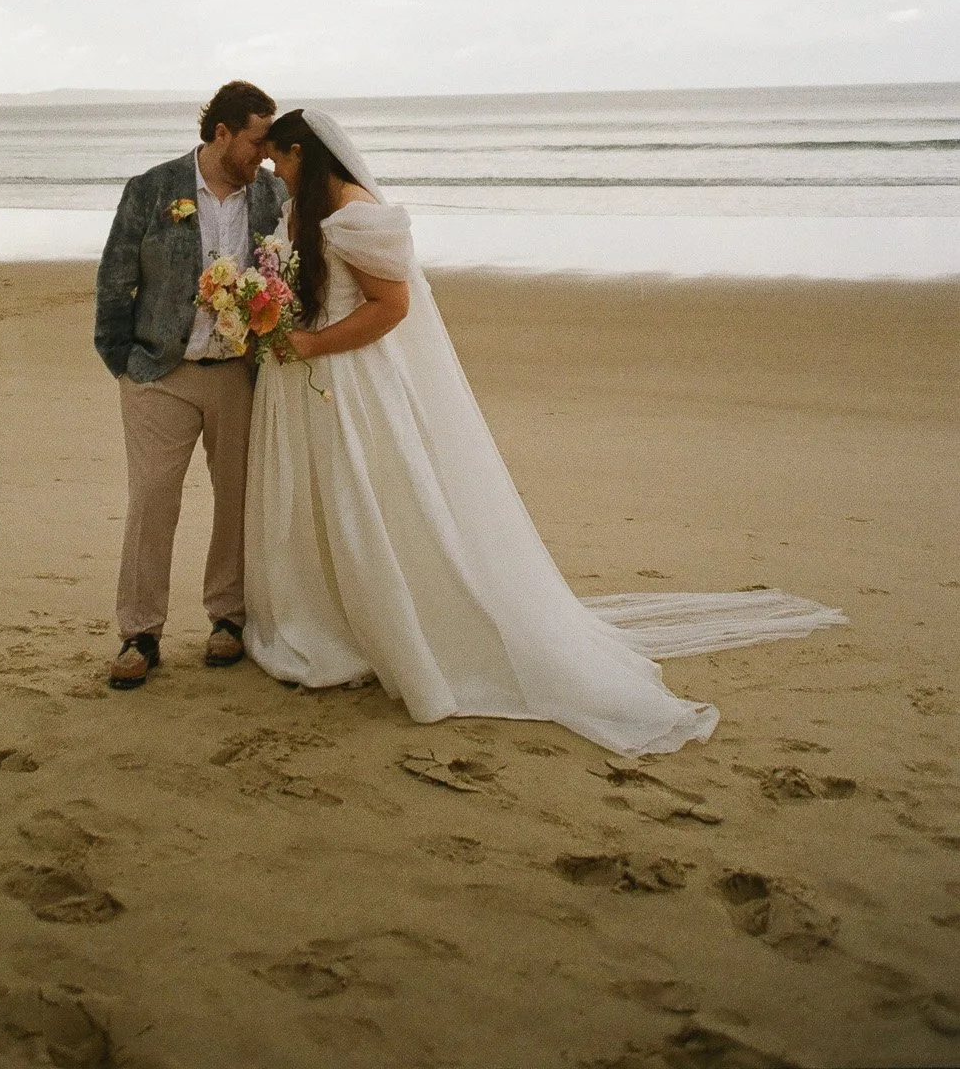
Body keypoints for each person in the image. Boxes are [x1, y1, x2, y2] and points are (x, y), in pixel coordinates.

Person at [244, 106, 847, 758]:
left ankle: (392, 632)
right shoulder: (306, 206)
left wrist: (310, 343)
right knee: (321, 505)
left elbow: (391, 307)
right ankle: (333, 625)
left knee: (364, 499)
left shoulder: (357, 213)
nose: (276, 170)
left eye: (281, 159)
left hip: (351, 381)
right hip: (308, 378)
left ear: (306, 152)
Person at [95, 80, 286, 690]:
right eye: (257, 139)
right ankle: (140, 633)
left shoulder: (271, 197)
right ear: (223, 133)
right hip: (160, 374)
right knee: (154, 501)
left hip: (239, 374)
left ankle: (227, 620)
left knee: (236, 499)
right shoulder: (151, 190)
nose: (265, 153)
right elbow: (114, 280)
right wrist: (124, 361)